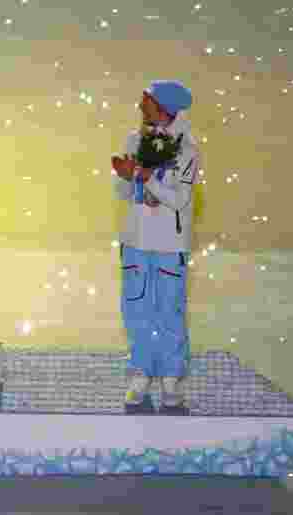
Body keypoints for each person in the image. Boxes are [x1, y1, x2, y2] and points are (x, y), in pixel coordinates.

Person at [111, 81, 200, 415]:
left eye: (146, 100)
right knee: (136, 309)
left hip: (168, 245)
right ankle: (141, 373)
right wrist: (125, 176)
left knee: (169, 310)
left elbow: (179, 199)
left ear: (164, 106)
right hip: (135, 241)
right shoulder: (134, 141)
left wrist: (144, 176)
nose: (140, 105)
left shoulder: (187, 149)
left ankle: (171, 379)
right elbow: (122, 193)